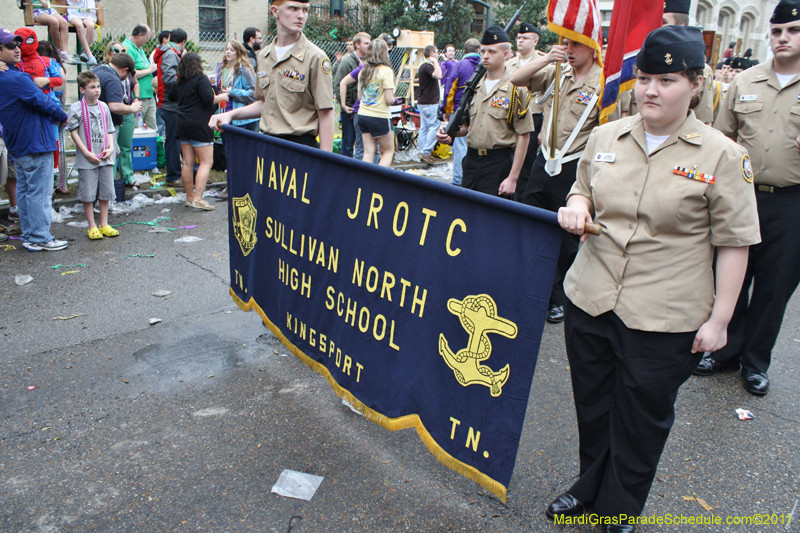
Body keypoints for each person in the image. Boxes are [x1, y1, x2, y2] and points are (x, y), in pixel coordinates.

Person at [551, 26, 760, 532]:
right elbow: (582, 189)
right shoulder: (605, 137)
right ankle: (589, 486)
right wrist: (575, 207)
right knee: (594, 404)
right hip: (592, 297)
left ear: (695, 85)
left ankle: (620, 506)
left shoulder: (722, 155)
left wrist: (721, 320)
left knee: (642, 417)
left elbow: (735, 242)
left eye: (666, 80)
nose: (650, 90)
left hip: (664, 314)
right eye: (644, 78)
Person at [696, 0, 800, 396]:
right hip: (745, 194)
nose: (783, 38)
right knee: (732, 277)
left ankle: (755, 362)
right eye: (776, 31)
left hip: (791, 201)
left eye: (793, 31)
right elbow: (725, 138)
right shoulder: (747, 80)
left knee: (774, 286)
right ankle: (725, 351)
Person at [510, 30, 603, 324]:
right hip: (544, 160)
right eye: (566, 43)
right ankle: (529, 287)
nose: (569, 49)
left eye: (576, 43)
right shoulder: (557, 72)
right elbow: (516, 79)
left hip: (574, 163)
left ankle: (557, 298)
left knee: (566, 236)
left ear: (593, 47)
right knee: (533, 222)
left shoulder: (602, 81)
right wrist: (547, 59)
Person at [209, 0, 334, 151]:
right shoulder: (264, 56)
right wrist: (229, 115)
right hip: (268, 145)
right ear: (275, 11)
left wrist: (326, 165)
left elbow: (326, 113)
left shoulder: (315, 58)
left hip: (300, 148)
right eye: (293, 8)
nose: (301, 16)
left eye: (305, 10)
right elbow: (265, 102)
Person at [436, 27, 533, 197]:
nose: (486, 55)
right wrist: (448, 131)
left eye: (492, 51)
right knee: (466, 213)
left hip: (498, 163)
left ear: (506, 54)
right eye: (483, 51)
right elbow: (467, 127)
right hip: (471, 160)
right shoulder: (474, 87)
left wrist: (513, 177)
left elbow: (524, 135)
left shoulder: (516, 89)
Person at [0, 28, 69, 251]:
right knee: (39, 192)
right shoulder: (17, 78)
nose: (17, 49)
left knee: (26, 191)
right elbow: (44, 102)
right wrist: (63, 116)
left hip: (19, 142)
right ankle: (39, 237)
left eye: (17, 44)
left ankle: (30, 235)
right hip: (35, 140)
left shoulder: (8, 76)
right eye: (10, 46)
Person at [170, 52, 227, 211]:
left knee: (187, 162)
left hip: (182, 125)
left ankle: (189, 198)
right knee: (206, 162)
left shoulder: (178, 82)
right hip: (200, 125)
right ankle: (198, 198)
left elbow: (170, 97)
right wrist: (224, 96)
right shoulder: (201, 79)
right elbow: (208, 99)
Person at [67, 71, 117, 239]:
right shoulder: (76, 108)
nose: (97, 90)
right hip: (87, 158)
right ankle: (92, 225)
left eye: (98, 87)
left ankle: (104, 223)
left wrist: (110, 148)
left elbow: (110, 130)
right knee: (88, 193)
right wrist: (87, 153)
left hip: (105, 156)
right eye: (92, 87)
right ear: (82, 89)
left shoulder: (103, 106)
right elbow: (74, 133)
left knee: (106, 191)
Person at [91, 52, 141, 200]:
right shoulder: (113, 78)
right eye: (126, 76)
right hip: (105, 127)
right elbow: (115, 106)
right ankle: (106, 197)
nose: (126, 79)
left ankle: (100, 194)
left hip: (93, 125)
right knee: (108, 160)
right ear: (124, 69)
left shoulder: (97, 69)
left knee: (103, 158)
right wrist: (132, 108)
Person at [214, 40, 258, 201]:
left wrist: (233, 92)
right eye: (226, 49)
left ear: (238, 52)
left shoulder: (245, 69)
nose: (228, 52)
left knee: (244, 155)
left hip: (243, 119)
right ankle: (232, 186)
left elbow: (254, 93)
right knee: (229, 154)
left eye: (231, 50)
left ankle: (244, 187)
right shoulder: (222, 69)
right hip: (225, 115)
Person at [505, 22, 545, 201]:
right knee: (508, 160)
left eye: (525, 38)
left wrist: (544, 128)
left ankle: (523, 200)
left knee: (527, 164)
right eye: (519, 38)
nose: (520, 40)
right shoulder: (509, 63)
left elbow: (549, 96)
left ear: (535, 41)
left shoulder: (543, 62)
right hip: (510, 118)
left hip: (534, 116)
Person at [440, 38, 481, 186]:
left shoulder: (459, 65)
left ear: (464, 51)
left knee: (459, 146)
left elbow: (449, 89)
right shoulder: (484, 65)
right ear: (478, 50)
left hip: (459, 108)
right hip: (479, 109)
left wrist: (446, 108)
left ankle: (459, 179)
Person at [356, 38, 395, 166]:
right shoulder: (386, 71)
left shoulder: (363, 71)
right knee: (388, 151)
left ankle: (363, 182)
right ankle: (379, 181)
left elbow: (360, 97)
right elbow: (389, 99)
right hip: (380, 116)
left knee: (368, 152)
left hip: (363, 114)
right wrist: (395, 99)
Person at [157, 28, 186, 186]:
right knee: (173, 142)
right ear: (182, 42)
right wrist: (186, 81)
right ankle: (173, 176)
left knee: (175, 141)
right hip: (170, 105)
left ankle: (178, 173)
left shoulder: (170, 53)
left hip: (169, 103)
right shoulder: (171, 54)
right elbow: (169, 78)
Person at [334, 32, 369, 158]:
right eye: (366, 43)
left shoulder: (365, 62)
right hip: (350, 110)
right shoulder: (347, 62)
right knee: (348, 142)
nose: (369, 46)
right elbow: (339, 84)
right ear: (357, 45)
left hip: (361, 110)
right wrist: (346, 106)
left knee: (360, 144)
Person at [123, 24, 158, 132]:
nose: (148, 40)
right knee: (138, 129)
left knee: (152, 129)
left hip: (148, 94)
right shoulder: (128, 48)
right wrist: (149, 70)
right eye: (147, 37)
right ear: (139, 35)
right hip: (139, 96)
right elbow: (127, 72)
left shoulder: (139, 49)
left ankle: (154, 147)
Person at [416, 44, 442, 165]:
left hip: (423, 101)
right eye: (436, 52)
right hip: (430, 101)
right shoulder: (427, 66)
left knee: (424, 127)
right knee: (435, 125)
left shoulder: (422, 65)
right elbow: (438, 75)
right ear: (432, 54)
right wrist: (436, 62)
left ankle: (421, 151)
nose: (437, 54)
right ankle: (426, 151)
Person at [29, 0, 73, 64]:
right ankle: (57, 49)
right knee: (54, 22)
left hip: (48, 8)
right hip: (36, 8)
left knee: (63, 23)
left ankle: (64, 51)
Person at [66, 0, 98, 65]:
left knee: (91, 26)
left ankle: (84, 52)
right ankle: (89, 54)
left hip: (88, 13)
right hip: (75, 12)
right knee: (79, 25)